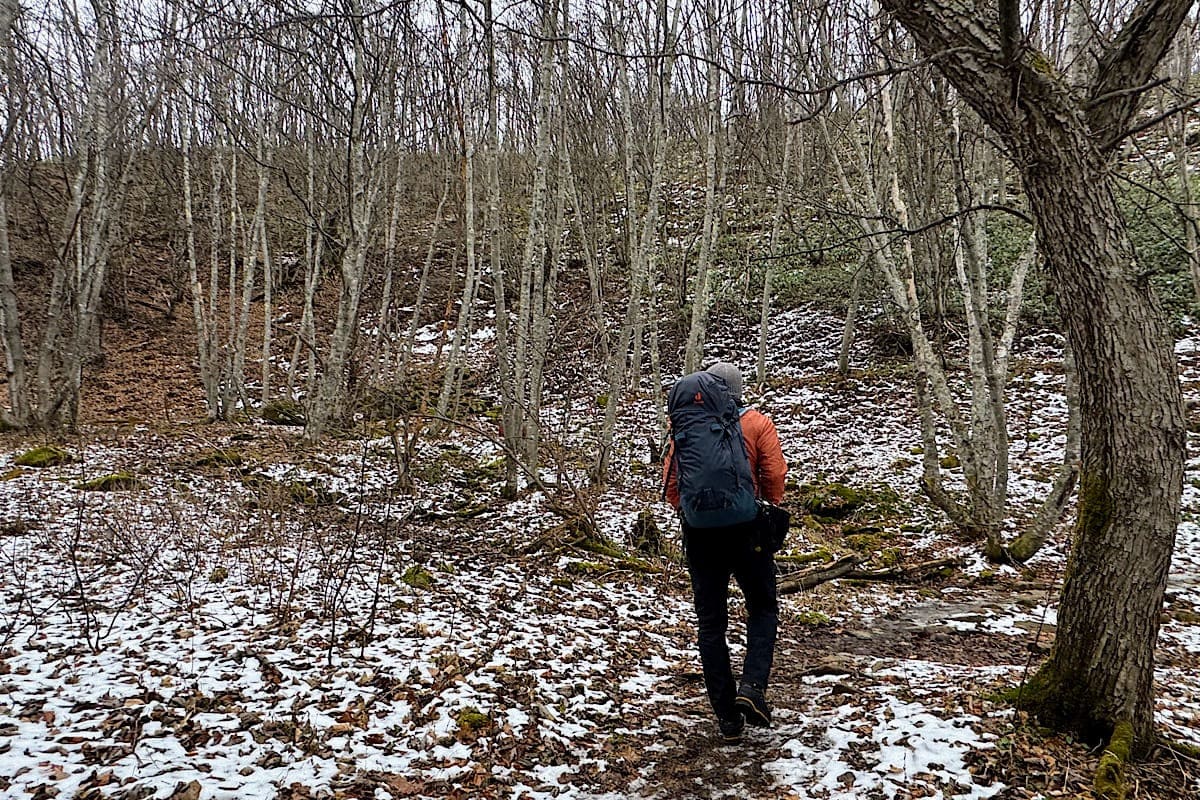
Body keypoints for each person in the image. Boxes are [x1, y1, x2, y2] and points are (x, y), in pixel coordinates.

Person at [662, 362, 787, 743]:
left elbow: (672, 481)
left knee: (711, 624)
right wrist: (768, 507)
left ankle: (727, 718)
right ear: (738, 390)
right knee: (763, 607)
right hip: (748, 530)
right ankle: (752, 687)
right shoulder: (756, 423)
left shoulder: (684, 426)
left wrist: (690, 513)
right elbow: (775, 473)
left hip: (700, 534)